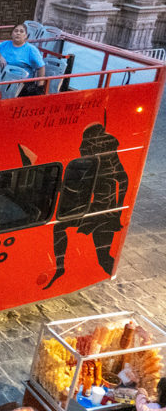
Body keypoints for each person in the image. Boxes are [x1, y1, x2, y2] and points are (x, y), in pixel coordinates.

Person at [44, 122, 128, 289]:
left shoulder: (109, 160)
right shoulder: (92, 162)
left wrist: (117, 211)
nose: (83, 149)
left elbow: (123, 179)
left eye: (87, 145)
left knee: (103, 258)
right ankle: (59, 268)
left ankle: (62, 268)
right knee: (59, 227)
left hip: (102, 212)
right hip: (91, 208)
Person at [0, 23, 45, 96]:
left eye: (21, 31)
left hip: (22, 83)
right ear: (11, 34)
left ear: (25, 36)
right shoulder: (5, 44)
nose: (18, 33)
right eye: (16, 31)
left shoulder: (31, 49)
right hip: (3, 78)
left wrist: (40, 86)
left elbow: (41, 67)